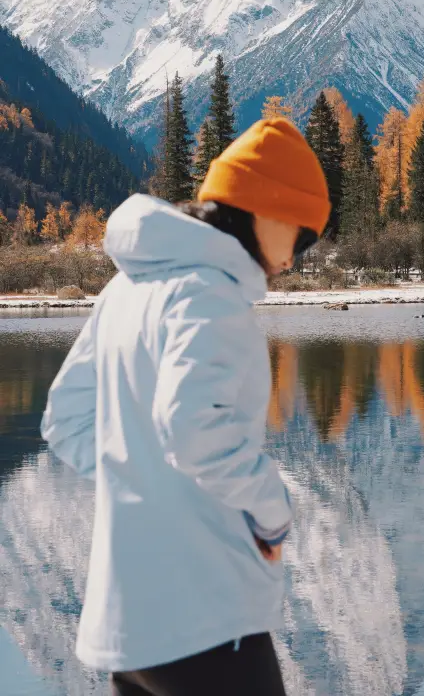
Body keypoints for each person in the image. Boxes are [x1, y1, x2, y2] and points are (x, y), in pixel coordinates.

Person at [41, 117, 330, 696]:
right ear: (266, 210)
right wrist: (274, 512)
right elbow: (193, 427)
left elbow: (67, 421)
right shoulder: (210, 293)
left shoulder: (126, 288)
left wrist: (144, 482)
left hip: (132, 633)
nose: (297, 258)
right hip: (207, 616)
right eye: (302, 236)